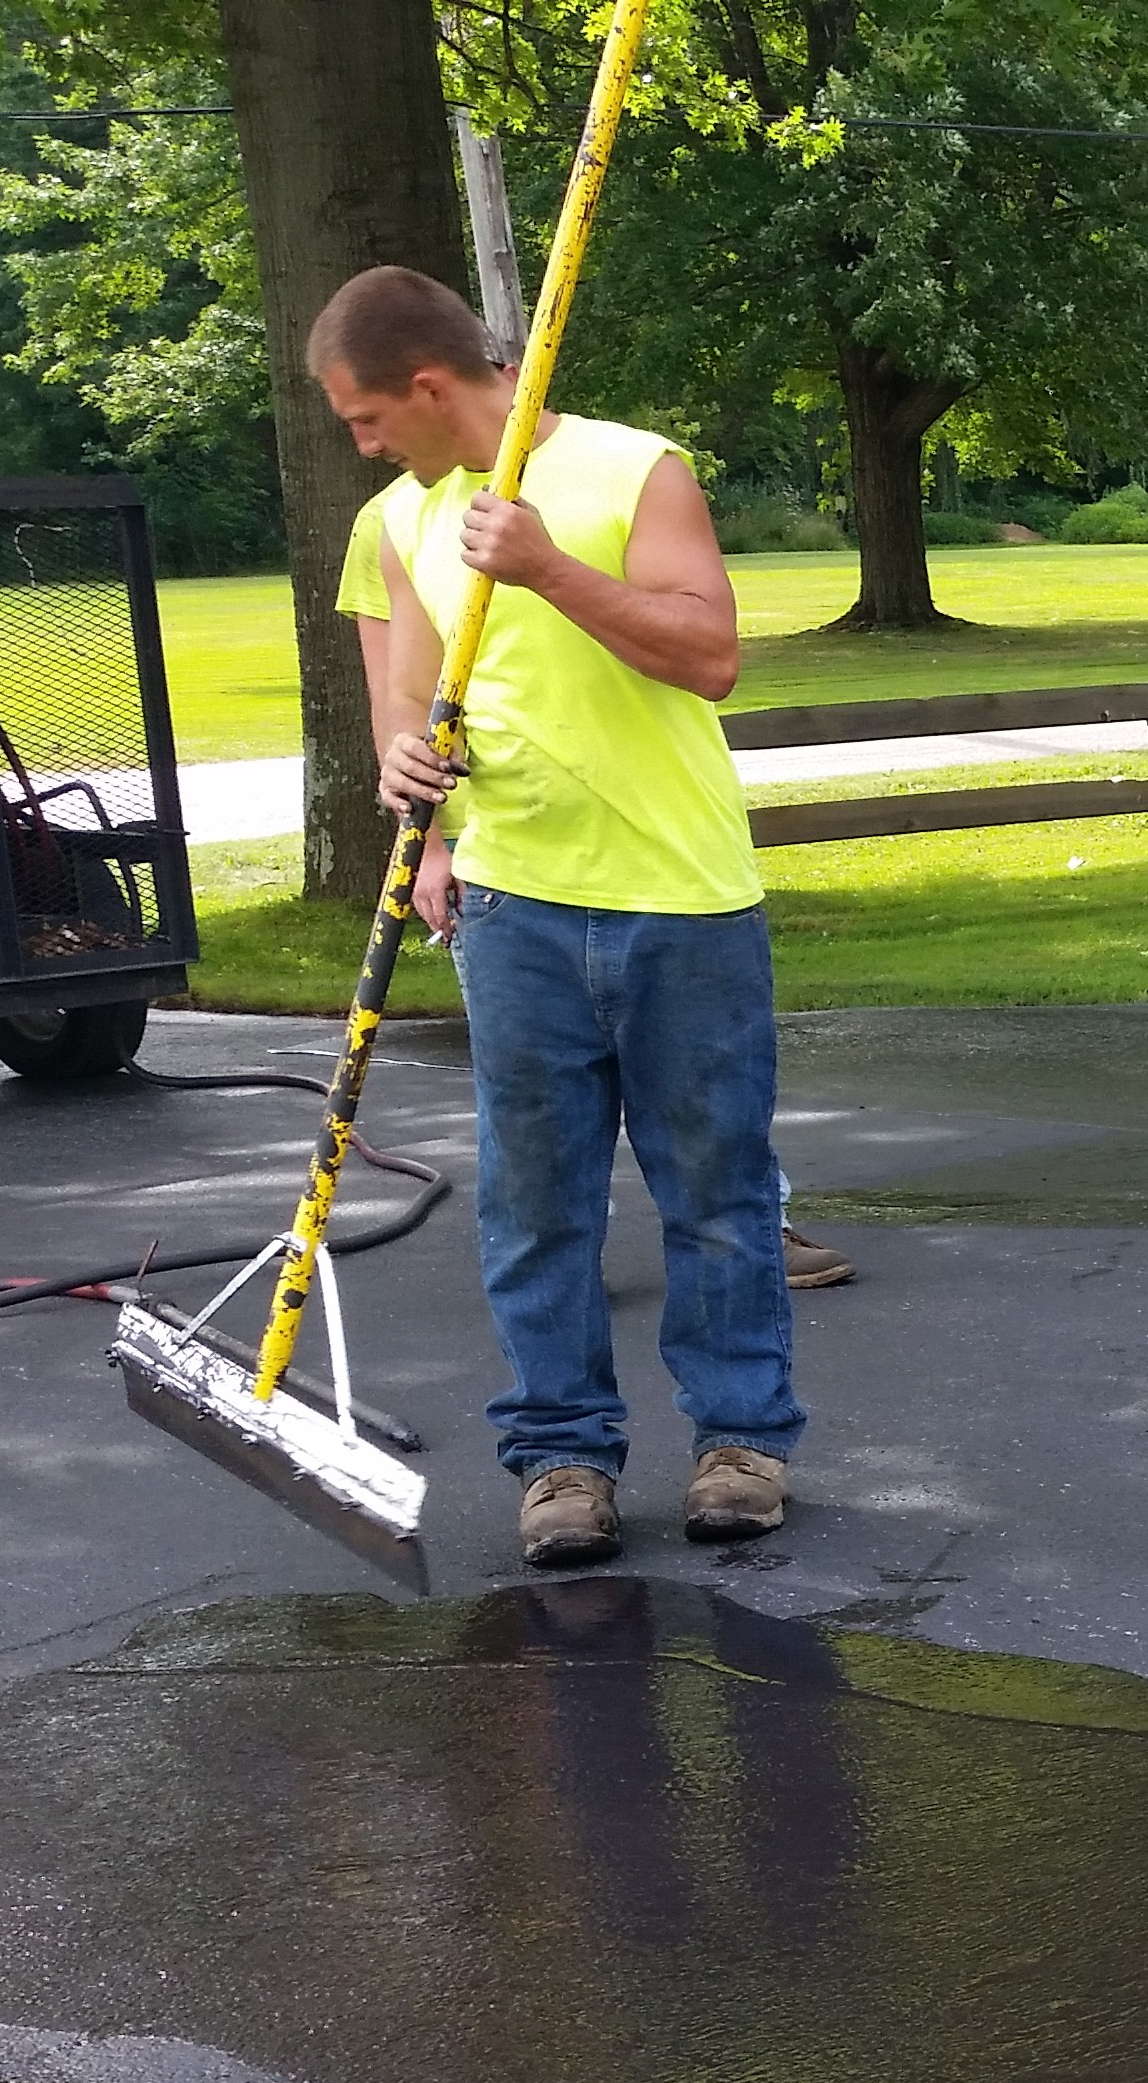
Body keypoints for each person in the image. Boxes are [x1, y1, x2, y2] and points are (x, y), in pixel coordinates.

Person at [308, 262, 807, 1571]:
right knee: (536, 1205)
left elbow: (708, 655)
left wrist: (542, 569)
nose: (362, 445)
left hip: (682, 898)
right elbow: (412, 701)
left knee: (715, 1192)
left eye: (366, 418)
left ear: (427, 385)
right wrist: (408, 776)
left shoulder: (633, 470)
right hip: (515, 904)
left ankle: (740, 1443)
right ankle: (562, 1458)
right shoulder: (405, 519)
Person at [337, 468, 855, 1296]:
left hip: (644, 838)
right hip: (495, 850)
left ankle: (761, 1225)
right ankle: (569, 1262)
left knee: (698, 1088)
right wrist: (425, 844)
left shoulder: (604, 472)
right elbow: (395, 690)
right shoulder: (391, 518)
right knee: (541, 1103)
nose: (368, 437)